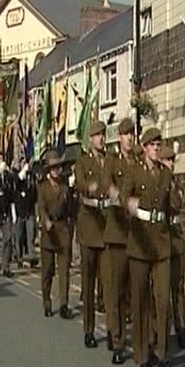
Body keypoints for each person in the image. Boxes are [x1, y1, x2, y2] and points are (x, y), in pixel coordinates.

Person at [122, 127, 180, 367]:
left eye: (159, 145)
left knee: (162, 301)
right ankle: (143, 357)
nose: (157, 149)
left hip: (162, 244)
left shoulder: (167, 174)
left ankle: (162, 354)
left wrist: (176, 195)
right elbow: (124, 195)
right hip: (140, 243)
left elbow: (173, 205)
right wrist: (130, 204)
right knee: (140, 302)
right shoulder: (134, 171)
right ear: (144, 147)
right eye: (153, 145)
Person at [103, 118, 137, 364]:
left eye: (132, 134)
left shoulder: (136, 162)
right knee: (115, 290)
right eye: (125, 135)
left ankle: (133, 337)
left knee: (131, 292)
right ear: (119, 138)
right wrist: (118, 195)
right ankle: (117, 341)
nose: (129, 138)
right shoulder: (112, 162)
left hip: (134, 233)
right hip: (116, 233)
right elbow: (107, 184)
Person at [74, 121, 109, 349]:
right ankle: (89, 329)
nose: (101, 139)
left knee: (107, 282)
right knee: (88, 282)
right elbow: (80, 184)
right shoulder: (83, 162)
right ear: (90, 139)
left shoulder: (109, 161)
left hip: (106, 228)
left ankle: (112, 330)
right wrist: (92, 187)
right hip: (89, 228)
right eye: (97, 135)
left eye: (103, 135)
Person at [160, 142, 185, 349]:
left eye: (172, 160)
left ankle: (181, 329)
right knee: (162, 288)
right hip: (162, 237)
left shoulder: (175, 183)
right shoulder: (159, 183)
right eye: (167, 160)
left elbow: (179, 204)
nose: (171, 164)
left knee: (178, 287)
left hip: (176, 238)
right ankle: (163, 329)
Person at [37, 151, 74, 319]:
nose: (56, 170)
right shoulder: (43, 187)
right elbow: (41, 208)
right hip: (49, 232)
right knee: (48, 270)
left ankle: (64, 304)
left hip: (63, 229)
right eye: (52, 168)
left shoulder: (65, 186)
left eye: (58, 167)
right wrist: (45, 221)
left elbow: (71, 208)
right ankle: (46, 301)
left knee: (64, 270)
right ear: (48, 170)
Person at [13, 161, 38, 269]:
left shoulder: (31, 177)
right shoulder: (17, 176)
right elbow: (16, 182)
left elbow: (35, 194)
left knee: (30, 235)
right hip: (19, 212)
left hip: (29, 211)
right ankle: (19, 257)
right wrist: (23, 171)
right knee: (19, 237)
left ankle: (31, 257)